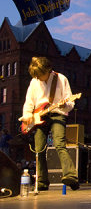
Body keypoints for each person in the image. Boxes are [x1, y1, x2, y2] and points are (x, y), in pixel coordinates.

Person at [19, 57, 79, 191]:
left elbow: (70, 103)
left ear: (48, 70)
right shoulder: (34, 82)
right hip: (39, 116)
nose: (39, 78)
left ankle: (71, 176)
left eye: (41, 75)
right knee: (39, 149)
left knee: (59, 144)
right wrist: (28, 115)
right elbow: (29, 101)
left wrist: (65, 105)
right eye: (37, 76)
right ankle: (42, 181)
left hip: (58, 113)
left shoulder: (61, 79)